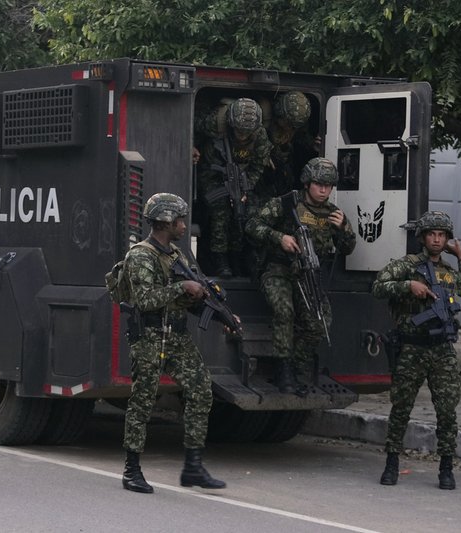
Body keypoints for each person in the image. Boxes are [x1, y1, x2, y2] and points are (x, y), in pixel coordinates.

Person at [120, 193, 226, 494]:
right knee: (142, 401)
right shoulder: (141, 255)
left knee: (201, 390)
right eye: (179, 220)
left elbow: (189, 301)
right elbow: (144, 299)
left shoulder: (176, 255)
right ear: (165, 221)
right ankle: (132, 470)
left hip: (177, 336)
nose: (183, 225)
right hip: (150, 337)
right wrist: (182, 286)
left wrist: (214, 311)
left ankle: (193, 466)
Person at [373, 211, 461, 490]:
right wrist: (409, 285)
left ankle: (446, 467)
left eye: (442, 235)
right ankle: (392, 461)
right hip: (412, 348)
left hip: (442, 349)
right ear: (423, 237)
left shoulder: (449, 271)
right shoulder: (407, 265)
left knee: (447, 410)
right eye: (432, 234)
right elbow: (378, 287)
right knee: (401, 407)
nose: (437, 239)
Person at [245, 157, 356, 393]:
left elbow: (348, 249)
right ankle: (282, 370)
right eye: (319, 184)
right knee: (284, 311)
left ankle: (298, 367)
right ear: (307, 183)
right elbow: (252, 225)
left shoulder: (334, 213)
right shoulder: (287, 203)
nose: (324, 190)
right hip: (279, 269)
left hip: (309, 276)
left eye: (328, 186)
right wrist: (279, 238)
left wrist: (344, 229)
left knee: (320, 323)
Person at [196, 98, 273, 277]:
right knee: (221, 209)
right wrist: (193, 146)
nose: (242, 136)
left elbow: (258, 166)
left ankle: (237, 256)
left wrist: (245, 189)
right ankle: (220, 259)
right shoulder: (215, 123)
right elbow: (191, 126)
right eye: (239, 131)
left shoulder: (260, 135)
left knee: (243, 211)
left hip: (240, 177)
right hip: (211, 172)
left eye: (247, 133)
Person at [260, 91, 321, 196]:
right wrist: (262, 153)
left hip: (284, 164)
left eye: (294, 126)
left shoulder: (296, 123)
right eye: (288, 123)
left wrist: (312, 144)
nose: (290, 128)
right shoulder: (265, 120)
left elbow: (300, 137)